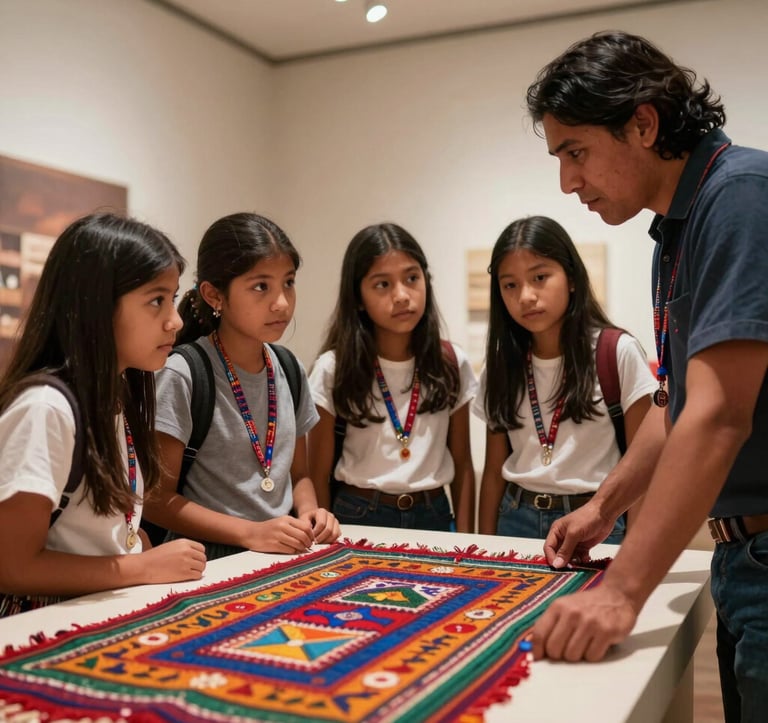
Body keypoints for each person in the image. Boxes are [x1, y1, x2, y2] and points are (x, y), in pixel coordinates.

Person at [525, 30, 768, 721]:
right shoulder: (677, 230)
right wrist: (605, 508)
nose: (567, 181)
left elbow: (719, 416)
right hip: (742, 555)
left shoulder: (742, 198)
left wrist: (621, 591)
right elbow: (676, 403)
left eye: (576, 152)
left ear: (643, 122)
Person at [0, 213, 207, 616]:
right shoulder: (46, 408)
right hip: (39, 625)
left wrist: (135, 548)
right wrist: (140, 566)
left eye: (173, 297)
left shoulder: (116, 393)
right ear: (96, 306)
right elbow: (12, 566)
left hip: (93, 610)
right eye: (155, 300)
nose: (176, 320)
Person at [145, 212, 339, 560]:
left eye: (289, 283)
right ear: (214, 295)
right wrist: (250, 532)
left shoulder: (289, 368)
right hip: (203, 562)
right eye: (261, 286)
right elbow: (157, 501)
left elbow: (300, 476)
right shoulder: (184, 373)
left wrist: (310, 511)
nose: (281, 302)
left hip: (277, 552)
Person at [472, 215, 655, 541]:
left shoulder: (617, 352)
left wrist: (634, 551)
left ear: (571, 278)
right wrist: (483, 546)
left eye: (540, 277)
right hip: (515, 518)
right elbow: (493, 473)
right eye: (510, 285)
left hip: (597, 520)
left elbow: (642, 466)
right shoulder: (500, 365)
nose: (526, 296)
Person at [308, 223, 477, 532]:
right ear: (358, 297)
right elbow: (316, 474)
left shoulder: (451, 363)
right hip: (359, 513)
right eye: (382, 284)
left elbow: (463, 464)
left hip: (434, 514)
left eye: (412, 278)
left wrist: (467, 541)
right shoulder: (333, 368)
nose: (401, 295)